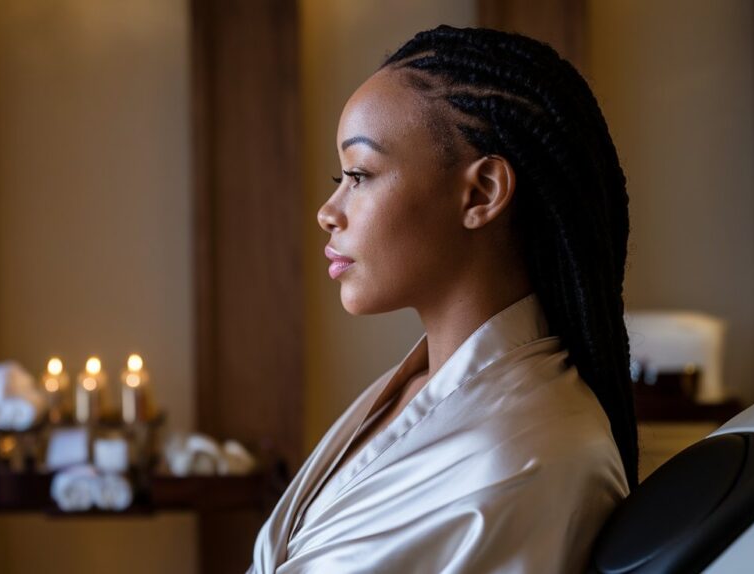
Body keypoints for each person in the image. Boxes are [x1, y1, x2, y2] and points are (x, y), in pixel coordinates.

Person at [249, 25, 636, 573]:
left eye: (359, 175)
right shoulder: (416, 387)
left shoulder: (526, 457)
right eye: (342, 176)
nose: (328, 212)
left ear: (481, 193)